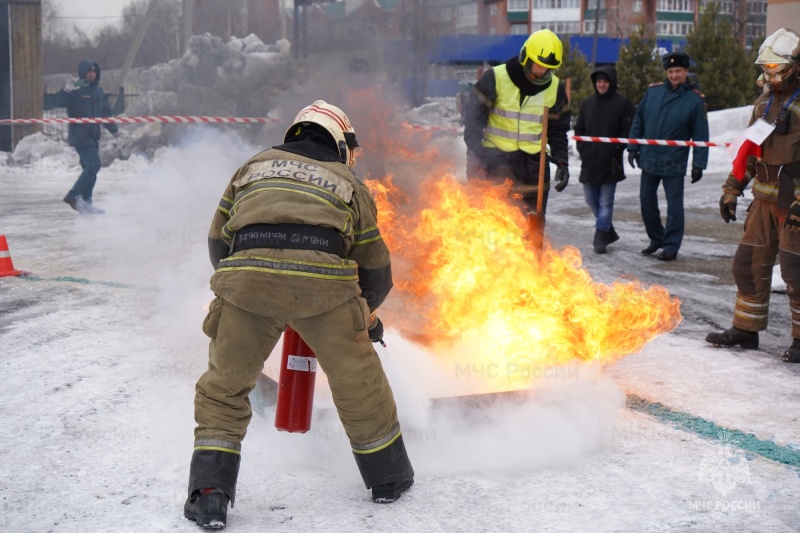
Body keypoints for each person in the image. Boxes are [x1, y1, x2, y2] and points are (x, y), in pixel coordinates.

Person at [183, 100, 414, 528]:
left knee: (224, 388)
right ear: (341, 142)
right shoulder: (349, 182)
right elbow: (376, 271)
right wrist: (362, 314)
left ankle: (209, 495)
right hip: (326, 290)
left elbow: (219, 242)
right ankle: (389, 479)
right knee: (358, 384)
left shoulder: (251, 168)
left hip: (245, 282)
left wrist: (249, 293)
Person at [706, 28, 800, 362]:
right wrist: (733, 187)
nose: (772, 75)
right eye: (767, 68)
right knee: (747, 264)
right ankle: (745, 330)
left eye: (779, 68)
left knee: (795, 271)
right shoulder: (763, 101)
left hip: (793, 199)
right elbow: (749, 149)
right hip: (763, 198)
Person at [463, 29, 571, 212]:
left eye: (548, 68)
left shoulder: (554, 88)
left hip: (534, 168)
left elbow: (558, 131)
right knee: (491, 226)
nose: (542, 71)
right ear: (525, 58)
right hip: (495, 163)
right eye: (538, 65)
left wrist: (562, 162)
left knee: (532, 227)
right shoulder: (496, 78)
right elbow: (473, 120)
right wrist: (476, 157)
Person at [626, 51, 709, 261]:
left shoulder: (694, 100)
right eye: (671, 71)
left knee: (674, 207)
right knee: (646, 201)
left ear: (686, 72)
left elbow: (701, 135)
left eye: (678, 71)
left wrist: (699, 163)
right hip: (650, 158)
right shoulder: (653, 92)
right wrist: (633, 147)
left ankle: (671, 246)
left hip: (674, 160)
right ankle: (656, 238)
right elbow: (639, 120)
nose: (674, 75)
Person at [574, 65, 635, 253]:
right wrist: (583, 148)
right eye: (598, 81)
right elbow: (579, 129)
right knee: (591, 200)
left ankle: (600, 236)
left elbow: (627, 131)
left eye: (605, 81)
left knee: (605, 202)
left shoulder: (622, 103)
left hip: (611, 162)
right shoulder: (587, 103)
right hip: (589, 161)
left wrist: (616, 148)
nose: (601, 84)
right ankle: (608, 230)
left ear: (611, 83)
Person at [51, 60, 119, 214]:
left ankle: (86, 205)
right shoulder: (75, 89)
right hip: (80, 135)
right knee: (94, 165)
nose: (91, 74)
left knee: (90, 170)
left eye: (94, 71)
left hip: (94, 136)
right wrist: (66, 90)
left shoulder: (99, 92)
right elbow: (56, 102)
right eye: (88, 71)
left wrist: (115, 131)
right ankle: (73, 196)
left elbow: (106, 114)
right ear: (82, 72)